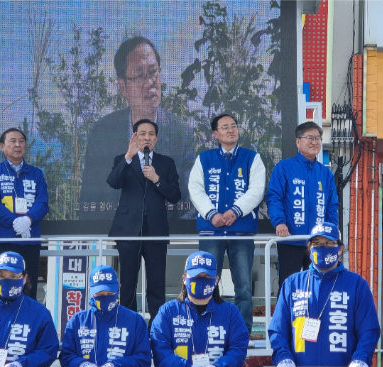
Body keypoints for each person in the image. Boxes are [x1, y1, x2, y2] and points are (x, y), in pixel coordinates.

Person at [80, 36, 194, 220]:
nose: (150, 82)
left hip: (164, 236)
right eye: (140, 75)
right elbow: (89, 202)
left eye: (153, 72)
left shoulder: (181, 133)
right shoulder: (102, 133)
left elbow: (188, 203)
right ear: (123, 87)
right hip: (117, 237)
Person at [268, 222, 379, 367]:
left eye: (328, 244)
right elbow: (278, 329)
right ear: (309, 247)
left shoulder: (356, 284)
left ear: (340, 248)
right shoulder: (293, 283)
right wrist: (283, 356)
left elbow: (368, 329)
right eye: (317, 244)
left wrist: (361, 358)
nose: (322, 248)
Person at [188, 114, 266, 335]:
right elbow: (195, 189)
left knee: (243, 284)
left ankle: (243, 330)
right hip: (211, 230)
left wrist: (235, 211)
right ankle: (205, 327)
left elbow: (257, 190)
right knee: (205, 280)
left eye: (234, 126)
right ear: (215, 134)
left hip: (241, 231)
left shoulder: (253, 158)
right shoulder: (204, 158)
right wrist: (212, 214)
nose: (231, 130)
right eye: (225, 127)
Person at [107, 119, 181, 324]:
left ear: (156, 139)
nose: (146, 137)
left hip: (156, 229)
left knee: (157, 282)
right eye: (142, 133)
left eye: (150, 134)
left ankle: (157, 327)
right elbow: (113, 182)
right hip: (128, 229)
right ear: (134, 137)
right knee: (127, 282)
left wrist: (157, 179)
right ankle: (128, 325)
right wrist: (129, 156)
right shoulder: (122, 159)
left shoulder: (166, 163)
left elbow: (175, 195)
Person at [151, 251, 249, 367]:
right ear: (184, 279)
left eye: (207, 277)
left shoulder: (230, 312)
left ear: (216, 280)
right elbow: (159, 349)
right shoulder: (168, 312)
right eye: (196, 276)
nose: (201, 280)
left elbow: (239, 348)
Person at [266, 122, 339, 290]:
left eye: (318, 138)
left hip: (319, 243)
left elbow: (332, 206)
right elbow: (274, 198)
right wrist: (280, 223)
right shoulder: (284, 167)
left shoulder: (325, 173)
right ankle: (287, 317)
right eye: (310, 138)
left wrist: (331, 233)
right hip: (290, 240)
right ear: (298, 142)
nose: (315, 142)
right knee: (289, 287)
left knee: (319, 287)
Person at [0, 127, 49, 300]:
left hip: (30, 241)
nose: (17, 145)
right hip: (4, 240)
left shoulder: (36, 174)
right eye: (12, 141)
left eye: (21, 141)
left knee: (29, 286)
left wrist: (28, 220)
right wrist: (14, 222)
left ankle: (29, 326)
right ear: (2, 147)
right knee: (0, 287)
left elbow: (42, 203)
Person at [60, 265, 151, 367]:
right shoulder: (77, 321)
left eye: (109, 292)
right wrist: (81, 364)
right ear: (90, 291)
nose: (105, 297)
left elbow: (143, 359)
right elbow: (66, 356)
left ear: (118, 289)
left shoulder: (135, 321)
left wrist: (116, 364)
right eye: (100, 294)